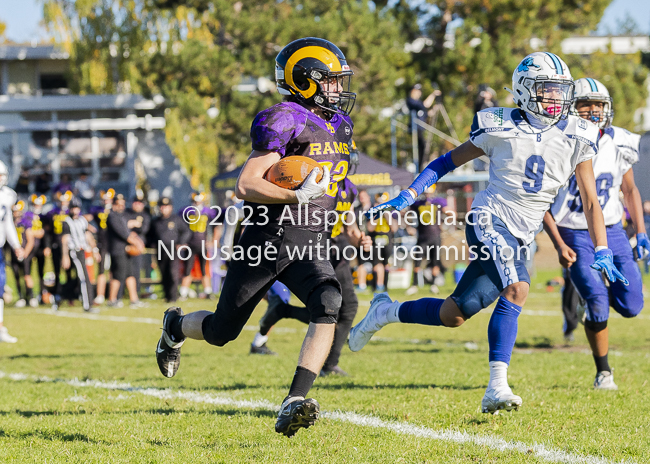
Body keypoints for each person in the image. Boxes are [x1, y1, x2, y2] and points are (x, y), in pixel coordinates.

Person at [349, 52, 627, 414]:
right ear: (525, 91)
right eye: (548, 90)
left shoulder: (578, 134)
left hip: (522, 235)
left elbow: (591, 199)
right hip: (489, 218)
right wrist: (408, 194)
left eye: (561, 91)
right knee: (518, 287)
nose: (557, 99)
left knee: (455, 313)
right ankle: (496, 387)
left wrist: (602, 247)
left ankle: (385, 312)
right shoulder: (499, 125)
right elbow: (445, 162)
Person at [155, 37, 356, 437]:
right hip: (267, 237)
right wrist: (294, 195)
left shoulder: (341, 125)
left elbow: (334, 182)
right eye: (331, 80)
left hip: (311, 238)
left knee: (329, 301)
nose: (338, 88)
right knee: (221, 332)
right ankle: (175, 327)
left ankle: (294, 400)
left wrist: (348, 217)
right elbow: (246, 184)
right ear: (306, 80)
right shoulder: (285, 118)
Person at [543, 77, 646, 390]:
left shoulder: (621, 141)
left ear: (608, 107)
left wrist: (640, 231)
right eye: (585, 104)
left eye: (598, 104)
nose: (592, 110)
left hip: (613, 231)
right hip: (574, 231)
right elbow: (541, 200)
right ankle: (604, 372)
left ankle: (592, 302)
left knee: (632, 306)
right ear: (572, 108)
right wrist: (558, 242)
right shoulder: (558, 141)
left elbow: (629, 189)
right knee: (598, 301)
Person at [250, 178, 372, 377]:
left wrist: (361, 240)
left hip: (337, 252)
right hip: (316, 249)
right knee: (327, 309)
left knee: (346, 308)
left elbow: (350, 228)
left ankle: (329, 362)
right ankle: (327, 364)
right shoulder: (312, 177)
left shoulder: (348, 188)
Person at [406, 186, 448, 295]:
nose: (428, 195)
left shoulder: (438, 202)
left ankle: (433, 285)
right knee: (418, 261)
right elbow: (407, 214)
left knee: (435, 261)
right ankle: (414, 284)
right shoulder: (418, 203)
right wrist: (409, 226)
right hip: (422, 236)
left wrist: (446, 224)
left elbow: (449, 212)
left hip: (435, 236)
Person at [0, 160, 25, 342]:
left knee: (0, 287)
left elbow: (7, 222)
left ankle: (0, 327)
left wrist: (16, 245)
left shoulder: (8, 195)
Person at [106, 194, 145, 308]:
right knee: (118, 275)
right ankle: (112, 299)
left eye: (122, 204)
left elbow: (129, 231)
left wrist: (137, 239)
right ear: (113, 204)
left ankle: (134, 299)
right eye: (118, 204)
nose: (121, 206)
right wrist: (137, 243)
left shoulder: (123, 216)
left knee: (130, 274)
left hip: (126, 249)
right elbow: (123, 233)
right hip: (118, 249)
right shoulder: (112, 216)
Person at [61, 197, 100, 312]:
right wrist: (65, 256)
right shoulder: (67, 222)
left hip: (83, 250)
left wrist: (95, 250)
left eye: (77, 208)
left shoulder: (82, 220)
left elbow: (88, 235)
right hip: (74, 251)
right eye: (73, 208)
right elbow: (65, 240)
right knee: (84, 278)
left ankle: (84, 301)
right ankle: (88, 305)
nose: (75, 210)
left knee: (85, 277)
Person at [150, 197, 191, 303]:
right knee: (163, 272)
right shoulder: (155, 221)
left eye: (166, 206)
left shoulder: (176, 219)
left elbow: (186, 231)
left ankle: (173, 296)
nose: (164, 209)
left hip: (173, 248)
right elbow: (150, 236)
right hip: (160, 249)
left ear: (171, 207)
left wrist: (181, 242)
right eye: (162, 206)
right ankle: (167, 295)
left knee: (173, 272)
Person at [179, 192, 216, 299]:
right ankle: (183, 292)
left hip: (203, 244)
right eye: (195, 201)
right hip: (190, 244)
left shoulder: (208, 211)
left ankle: (207, 291)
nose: (197, 203)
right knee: (187, 269)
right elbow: (181, 227)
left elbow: (216, 225)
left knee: (204, 269)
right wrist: (182, 241)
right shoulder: (186, 211)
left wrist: (212, 240)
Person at [43, 190, 72, 309]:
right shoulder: (52, 213)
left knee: (70, 272)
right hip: (56, 245)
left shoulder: (71, 212)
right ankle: (57, 295)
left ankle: (70, 296)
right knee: (57, 272)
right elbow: (48, 232)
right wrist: (48, 246)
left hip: (70, 246)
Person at [88, 189, 114, 305]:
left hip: (114, 243)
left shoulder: (115, 210)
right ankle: (100, 295)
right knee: (102, 270)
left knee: (114, 270)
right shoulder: (97, 210)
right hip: (103, 243)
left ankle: (113, 296)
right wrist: (91, 228)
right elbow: (84, 218)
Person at [406, 84, 439, 169]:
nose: (419, 93)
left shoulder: (419, 103)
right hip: (415, 129)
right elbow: (425, 105)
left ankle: (421, 166)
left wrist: (434, 109)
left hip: (421, 129)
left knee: (424, 147)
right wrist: (433, 95)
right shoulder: (411, 101)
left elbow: (426, 113)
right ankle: (419, 168)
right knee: (420, 146)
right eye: (417, 91)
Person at [126, 191, 151, 297]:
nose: (137, 204)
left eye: (140, 202)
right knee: (123, 270)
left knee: (137, 270)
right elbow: (122, 228)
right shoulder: (126, 213)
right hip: (125, 246)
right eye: (135, 202)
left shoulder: (145, 215)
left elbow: (143, 229)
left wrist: (132, 226)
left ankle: (137, 291)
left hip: (138, 247)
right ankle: (124, 292)